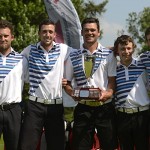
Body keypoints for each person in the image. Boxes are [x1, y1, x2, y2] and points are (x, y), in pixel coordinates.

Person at [19, 19, 74, 150]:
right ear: (39, 33)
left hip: (55, 107)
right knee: (26, 146)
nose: (47, 34)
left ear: (55, 35)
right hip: (34, 107)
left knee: (57, 146)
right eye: (44, 31)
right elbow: (13, 61)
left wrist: (112, 50)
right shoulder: (29, 50)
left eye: (50, 32)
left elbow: (84, 53)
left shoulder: (63, 50)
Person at [64, 17, 118, 150]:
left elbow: (112, 82)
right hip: (83, 108)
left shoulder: (109, 54)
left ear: (99, 32)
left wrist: (108, 93)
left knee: (109, 146)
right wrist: (72, 93)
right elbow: (66, 82)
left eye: (93, 30)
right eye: (86, 30)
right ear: (82, 32)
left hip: (104, 108)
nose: (90, 33)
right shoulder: (73, 55)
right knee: (80, 146)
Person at [114, 35, 150, 150]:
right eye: (122, 49)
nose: (126, 52)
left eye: (129, 48)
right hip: (122, 116)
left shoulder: (142, 64)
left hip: (142, 116)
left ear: (133, 48)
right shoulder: (113, 70)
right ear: (117, 50)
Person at [0, 20, 28, 150]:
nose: (3, 39)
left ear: (12, 37)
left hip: (14, 111)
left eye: (6, 36)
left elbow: (33, 82)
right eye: (0, 36)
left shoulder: (22, 60)